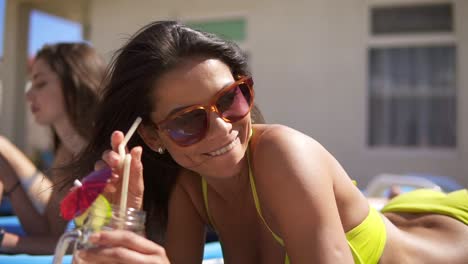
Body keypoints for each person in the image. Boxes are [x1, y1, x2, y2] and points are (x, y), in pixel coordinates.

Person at [71, 21, 468, 264]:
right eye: (189, 121)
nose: (223, 127)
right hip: (400, 217)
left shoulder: (284, 154)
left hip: (452, 232)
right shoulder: (190, 190)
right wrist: (123, 217)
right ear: (154, 135)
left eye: (230, 99)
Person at [0, 43, 106, 254]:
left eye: (40, 83)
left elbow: (98, 242)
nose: (29, 95)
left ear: (74, 85)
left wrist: (10, 242)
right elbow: (48, 229)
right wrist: (9, 177)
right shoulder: (66, 154)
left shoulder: (109, 151)